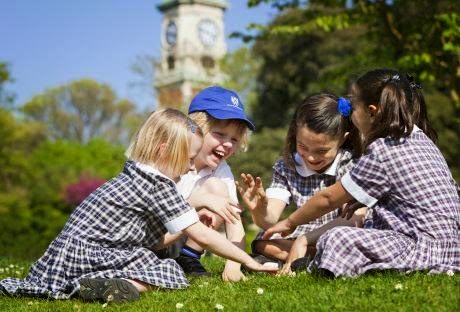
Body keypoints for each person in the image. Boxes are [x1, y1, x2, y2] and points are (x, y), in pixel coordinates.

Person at [0, 109, 275, 302]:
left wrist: (186, 222)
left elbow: (151, 240)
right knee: (167, 272)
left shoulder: (134, 171)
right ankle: (118, 286)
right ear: (163, 150)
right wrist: (250, 261)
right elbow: (202, 236)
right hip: (91, 254)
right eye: (189, 159)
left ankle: (93, 286)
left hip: (68, 255)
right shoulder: (159, 184)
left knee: (150, 259)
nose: (191, 166)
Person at [264, 69, 460, 277]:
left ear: (372, 111)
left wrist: (290, 222)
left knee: (337, 237)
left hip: (422, 247)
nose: (348, 112)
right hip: (452, 246)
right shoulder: (421, 139)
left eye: (352, 106)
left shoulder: (383, 150)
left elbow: (328, 198)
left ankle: (309, 264)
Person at [237, 94, 365, 265]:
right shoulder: (286, 166)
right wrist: (258, 210)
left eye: (321, 151)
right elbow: (269, 221)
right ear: (295, 135)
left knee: (350, 233)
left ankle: (300, 256)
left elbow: (353, 218)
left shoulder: (349, 163)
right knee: (262, 242)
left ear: (343, 139)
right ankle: (312, 257)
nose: (311, 158)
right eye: (303, 146)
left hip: (334, 230)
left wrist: (306, 240)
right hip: (297, 232)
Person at [171, 86, 255, 282]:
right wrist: (202, 199)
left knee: (218, 189)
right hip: (154, 235)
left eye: (234, 139)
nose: (227, 144)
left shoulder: (221, 169)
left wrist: (234, 264)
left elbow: (234, 221)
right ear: (196, 130)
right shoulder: (171, 158)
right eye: (219, 134)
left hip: (184, 235)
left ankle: (189, 256)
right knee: (211, 195)